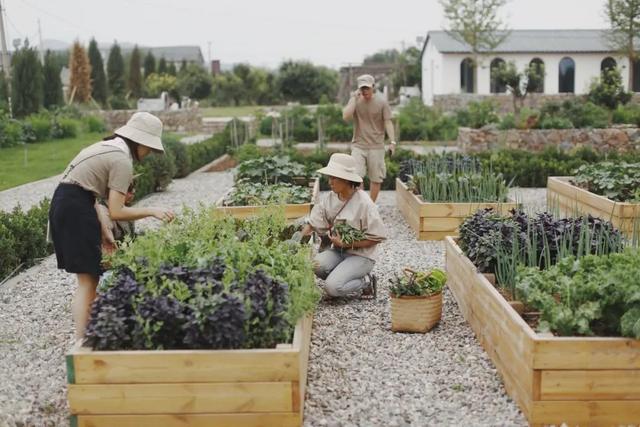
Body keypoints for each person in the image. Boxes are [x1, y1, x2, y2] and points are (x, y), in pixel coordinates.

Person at [48, 112, 175, 339]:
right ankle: (83, 342)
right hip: (75, 208)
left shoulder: (105, 147)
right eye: (149, 148)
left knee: (88, 279)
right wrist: (153, 211)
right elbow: (117, 210)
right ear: (139, 142)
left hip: (67, 204)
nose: (147, 155)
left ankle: (86, 337)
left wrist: (103, 227)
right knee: (89, 281)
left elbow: (87, 191)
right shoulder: (121, 160)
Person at [300, 153, 387, 298]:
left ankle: (366, 282)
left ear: (347, 180)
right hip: (339, 252)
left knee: (332, 288)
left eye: (334, 178)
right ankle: (342, 275)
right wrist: (296, 243)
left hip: (362, 256)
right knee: (315, 265)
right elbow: (313, 223)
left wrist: (347, 243)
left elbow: (378, 237)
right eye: (330, 177)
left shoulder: (364, 203)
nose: (330, 182)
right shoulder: (331, 197)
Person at [342, 74, 396, 202]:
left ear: (373, 86)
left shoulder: (382, 102)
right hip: (358, 145)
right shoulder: (355, 100)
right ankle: (362, 204)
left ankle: (371, 205)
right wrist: (354, 99)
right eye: (362, 88)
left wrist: (393, 142)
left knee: (376, 178)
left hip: (376, 146)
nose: (365, 91)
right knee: (356, 177)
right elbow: (346, 116)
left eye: (367, 88)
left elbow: (388, 122)